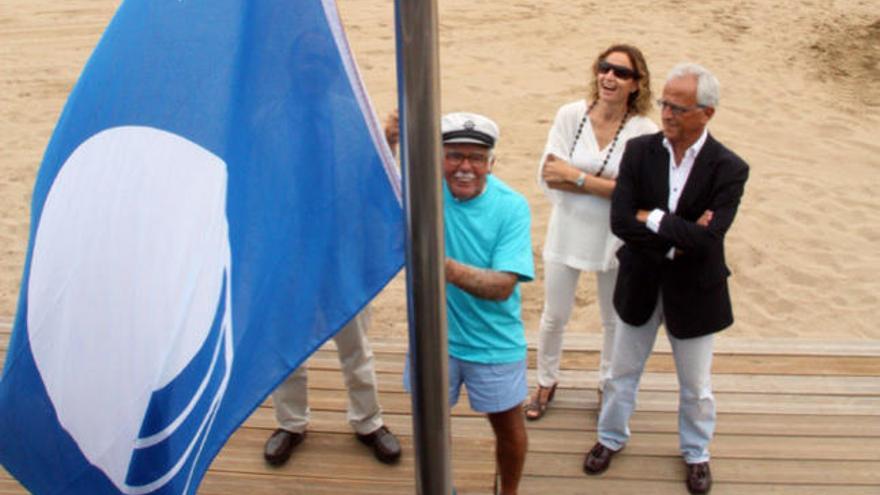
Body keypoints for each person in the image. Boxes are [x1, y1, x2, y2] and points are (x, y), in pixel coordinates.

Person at [582, 63, 749, 495]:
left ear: (706, 113)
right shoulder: (639, 151)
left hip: (695, 292)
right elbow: (621, 221)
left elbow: (710, 241)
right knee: (622, 372)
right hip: (639, 282)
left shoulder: (729, 167)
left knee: (696, 385)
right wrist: (682, 232)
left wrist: (653, 217)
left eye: (678, 107)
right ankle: (609, 437)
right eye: (665, 104)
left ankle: (696, 453)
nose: (667, 113)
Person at [394, 111, 535, 495]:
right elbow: (377, 186)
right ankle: (443, 487)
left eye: (476, 158)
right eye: (454, 155)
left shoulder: (512, 206)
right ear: (437, 157)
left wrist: (442, 266)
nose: (465, 167)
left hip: (494, 342)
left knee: (507, 425)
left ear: (492, 162)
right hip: (433, 338)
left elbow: (503, 286)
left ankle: (507, 492)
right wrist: (391, 137)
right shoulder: (423, 192)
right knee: (430, 424)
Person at [527, 44, 658, 420]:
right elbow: (550, 172)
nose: (609, 77)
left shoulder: (642, 130)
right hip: (566, 227)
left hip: (615, 235)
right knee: (554, 314)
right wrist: (606, 186)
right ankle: (546, 380)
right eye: (605, 68)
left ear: (637, 84)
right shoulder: (571, 115)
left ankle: (607, 383)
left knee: (613, 317)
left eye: (621, 73)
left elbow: (636, 195)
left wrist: (578, 176)